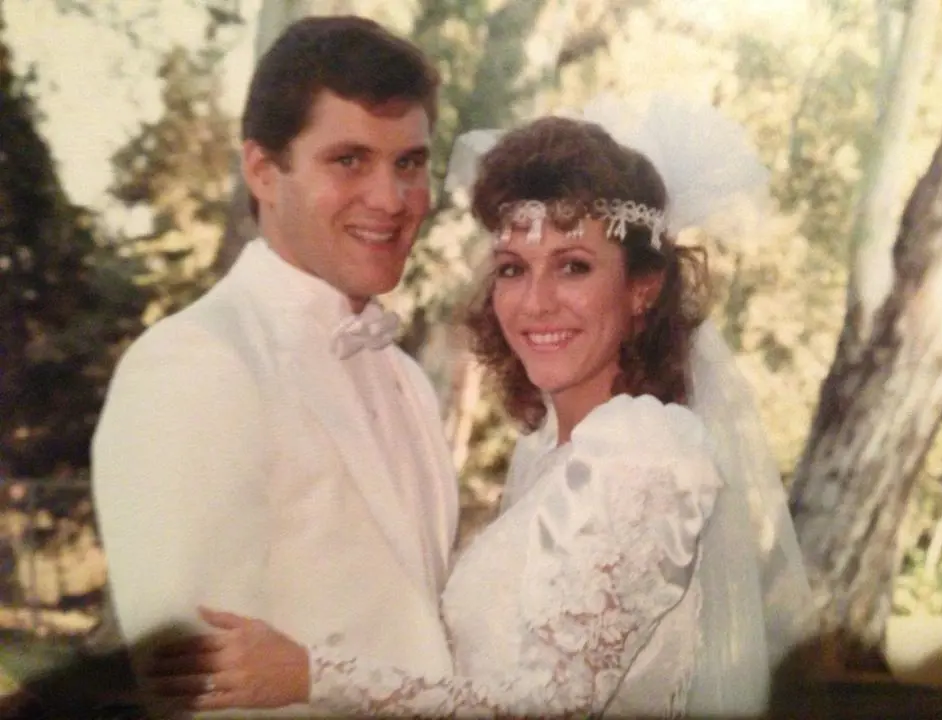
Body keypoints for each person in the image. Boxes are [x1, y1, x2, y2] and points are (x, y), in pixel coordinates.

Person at [148, 96, 815, 717]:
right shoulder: (554, 453)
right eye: (512, 268)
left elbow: (551, 701)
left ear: (643, 287)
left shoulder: (646, 454)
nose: (536, 301)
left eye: (574, 265)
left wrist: (312, 675)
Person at [91, 15, 459, 716]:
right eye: (349, 160)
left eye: (408, 163)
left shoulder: (406, 378)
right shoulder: (193, 364)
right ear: (262, 170)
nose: (390, 199)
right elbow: (198, 688)